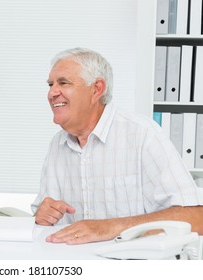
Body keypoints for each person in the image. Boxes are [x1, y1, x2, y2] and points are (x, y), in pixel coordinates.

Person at [31, 47, 203, 244]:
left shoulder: (142, 133)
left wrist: (112, 226)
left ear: (96, 89)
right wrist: (43, 217)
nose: (52, 92)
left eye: (63, 83)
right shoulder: (57, 145)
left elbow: (197, 217)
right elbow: (45, 220)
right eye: (50, 84)